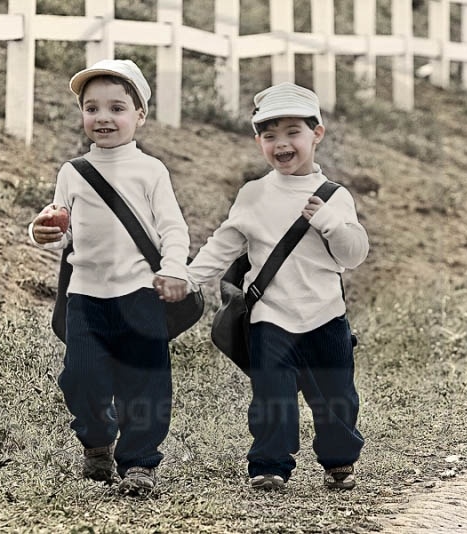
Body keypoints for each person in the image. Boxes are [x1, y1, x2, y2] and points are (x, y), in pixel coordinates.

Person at [157, 82, 368, 491]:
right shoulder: (253, 195)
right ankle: (269, 464)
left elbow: (354, 253)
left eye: (293, 132)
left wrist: (329, 222)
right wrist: (187, 278)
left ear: (316, 133)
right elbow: (223, 245)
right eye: (269, 136)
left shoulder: (334, 196)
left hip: (326, 316)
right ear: (258, 141)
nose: (281, 144)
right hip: (270, 316)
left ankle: (339, 460)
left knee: (336, 397)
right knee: (272, 397)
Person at [28, 59, 189, 496]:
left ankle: (139, 463)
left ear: (139, 115)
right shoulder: (73, 172)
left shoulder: (151, 170)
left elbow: (173, 227)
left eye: (117, 108)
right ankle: (97, 441)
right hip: (86, 295)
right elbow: (56, 222)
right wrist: (42, 227)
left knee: (146, 381)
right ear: (82, 115)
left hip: (140, 293)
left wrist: (174, 269)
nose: (103, 117)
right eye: (92, 108)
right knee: (80, 377)